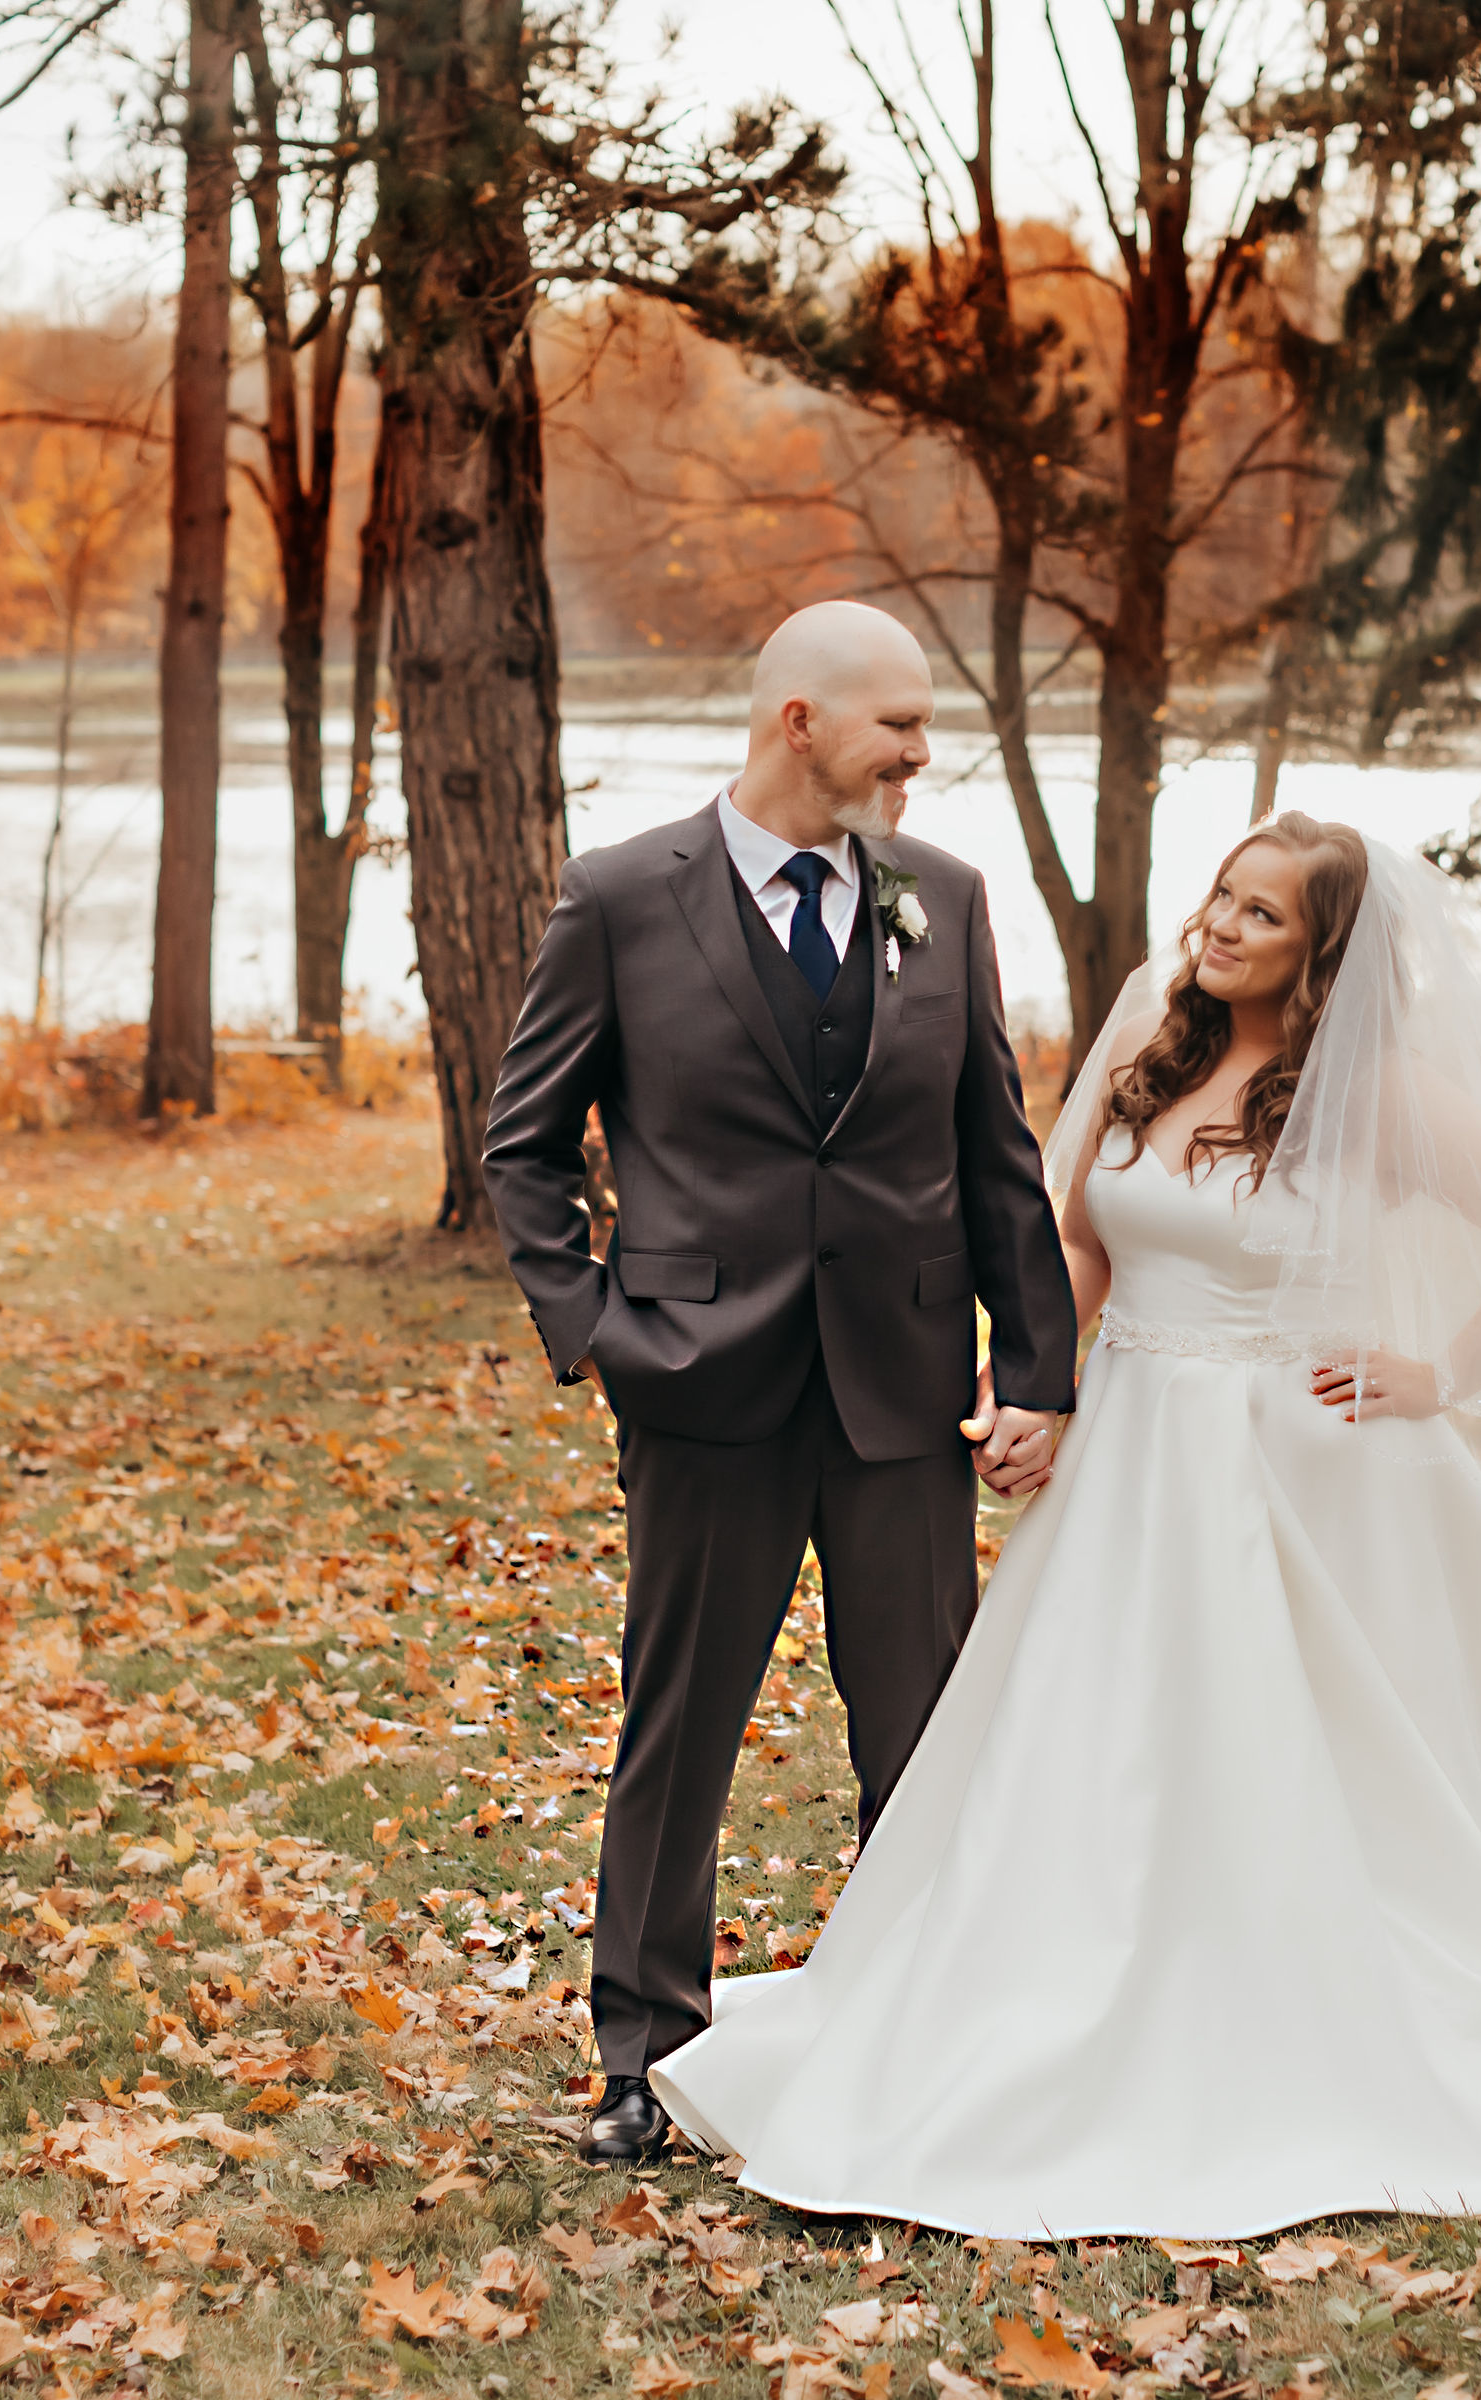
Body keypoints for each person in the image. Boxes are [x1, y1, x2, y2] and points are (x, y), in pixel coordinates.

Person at [647, 814, 1481, 2237]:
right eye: (1222, 896)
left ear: (1319, 952)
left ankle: (1298, 2005)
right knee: (1101, 1744)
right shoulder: (1156, 1039)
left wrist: (1435, 1373)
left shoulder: (1369, 1089)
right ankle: (1060, 1996)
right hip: (1133, 1452)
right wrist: (1032, 1386)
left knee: (1290, 1749)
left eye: (1262, 917)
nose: (1220, 927)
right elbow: (1085, 1240)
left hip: (1294, 1461)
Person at [481, 602, 1080, 2169]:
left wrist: (1038, 1367)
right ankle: (645, 2050)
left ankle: (926, 2030)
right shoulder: (621, 897)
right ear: (801, 721)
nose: (921, 755)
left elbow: (993, 1152)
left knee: (923, 1731)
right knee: (679, 1728)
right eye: (900, 726)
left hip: (900, 1391)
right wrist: (599, 1327)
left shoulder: (938, 897)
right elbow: (524, 1146)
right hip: (698, 1388)